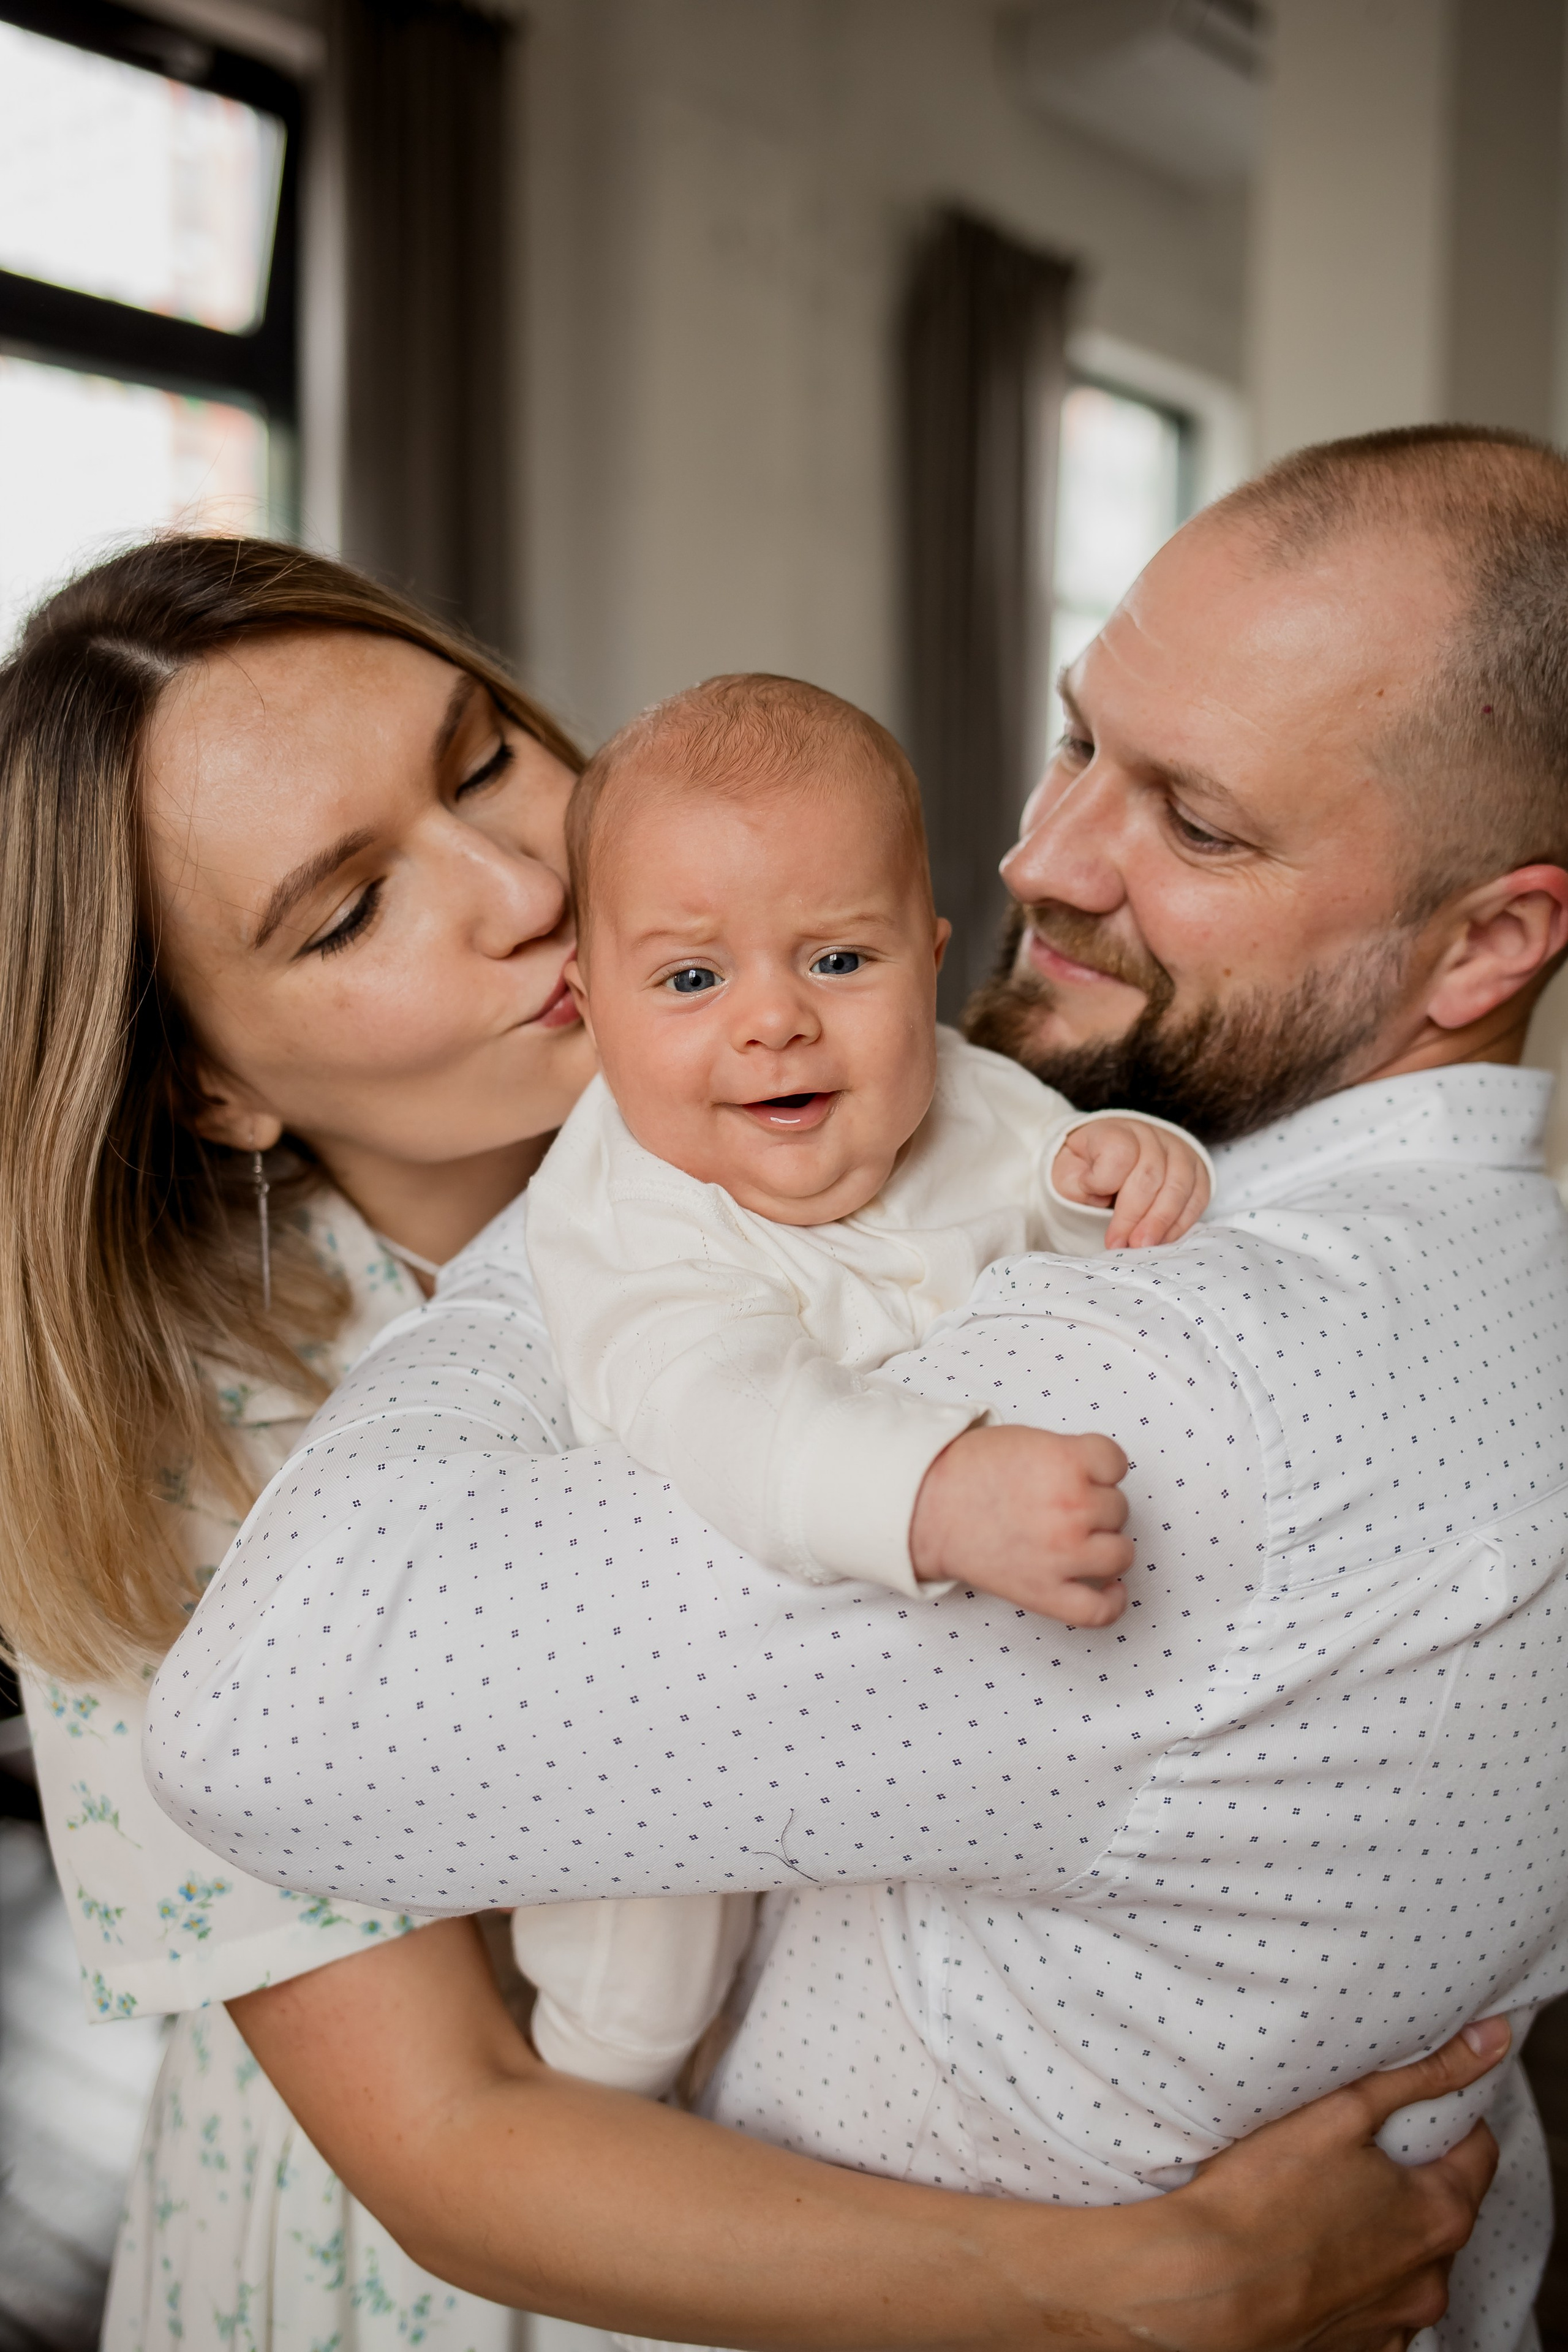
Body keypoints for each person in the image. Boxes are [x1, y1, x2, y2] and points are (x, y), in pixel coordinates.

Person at [149, 424, 1568, 2351]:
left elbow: (269, 1733)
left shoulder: (1164, 1380)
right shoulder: (1479, 1271)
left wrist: (633, 1167)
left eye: (1202, 824)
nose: (1033, 862)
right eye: (1079, 742)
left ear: (1494, 938)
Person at [514, 671, 1209, 2097]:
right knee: (640, 1967)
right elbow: (719, 1407)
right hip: (671, 1682)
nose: (773, 1021)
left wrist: (1127, 1172)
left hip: (903, 1685)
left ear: (929, 962)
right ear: (589, 1010)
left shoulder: (975, 1095)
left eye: (838, 961)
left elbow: (1060, 1196)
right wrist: (935, 1491)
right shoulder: (624, 1206)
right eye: (692, 979)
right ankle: (590, 2137)